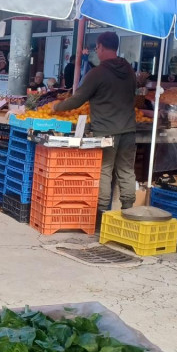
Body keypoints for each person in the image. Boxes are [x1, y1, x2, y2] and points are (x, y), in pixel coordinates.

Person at [53, 32, 138, 224]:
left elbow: (77, 100)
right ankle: (129, 212)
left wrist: (56, 107)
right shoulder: (129, 70)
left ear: (100, 47)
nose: (96, 52)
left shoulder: (97, 73)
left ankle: (100, 216)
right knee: (126, 170)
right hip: (128, 129)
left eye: (97, 48)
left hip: (106, 130)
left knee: (105, 170)